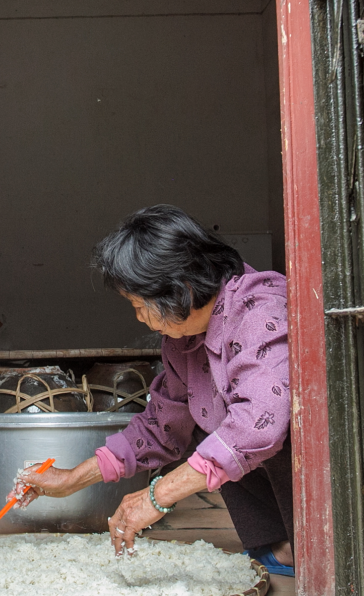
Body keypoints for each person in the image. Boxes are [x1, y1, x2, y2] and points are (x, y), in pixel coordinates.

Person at [17, 205, 295, 576]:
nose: (138, 317)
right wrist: (70, 480)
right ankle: (280, 543)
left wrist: (157, 496)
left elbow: (259, 424)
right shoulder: (183, 340)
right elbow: (161, 427)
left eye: (139, 304)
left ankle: (301, 544)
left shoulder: (259, 310)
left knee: (242, 432)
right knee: (207, 426)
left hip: (325, 471)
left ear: (182, 290)